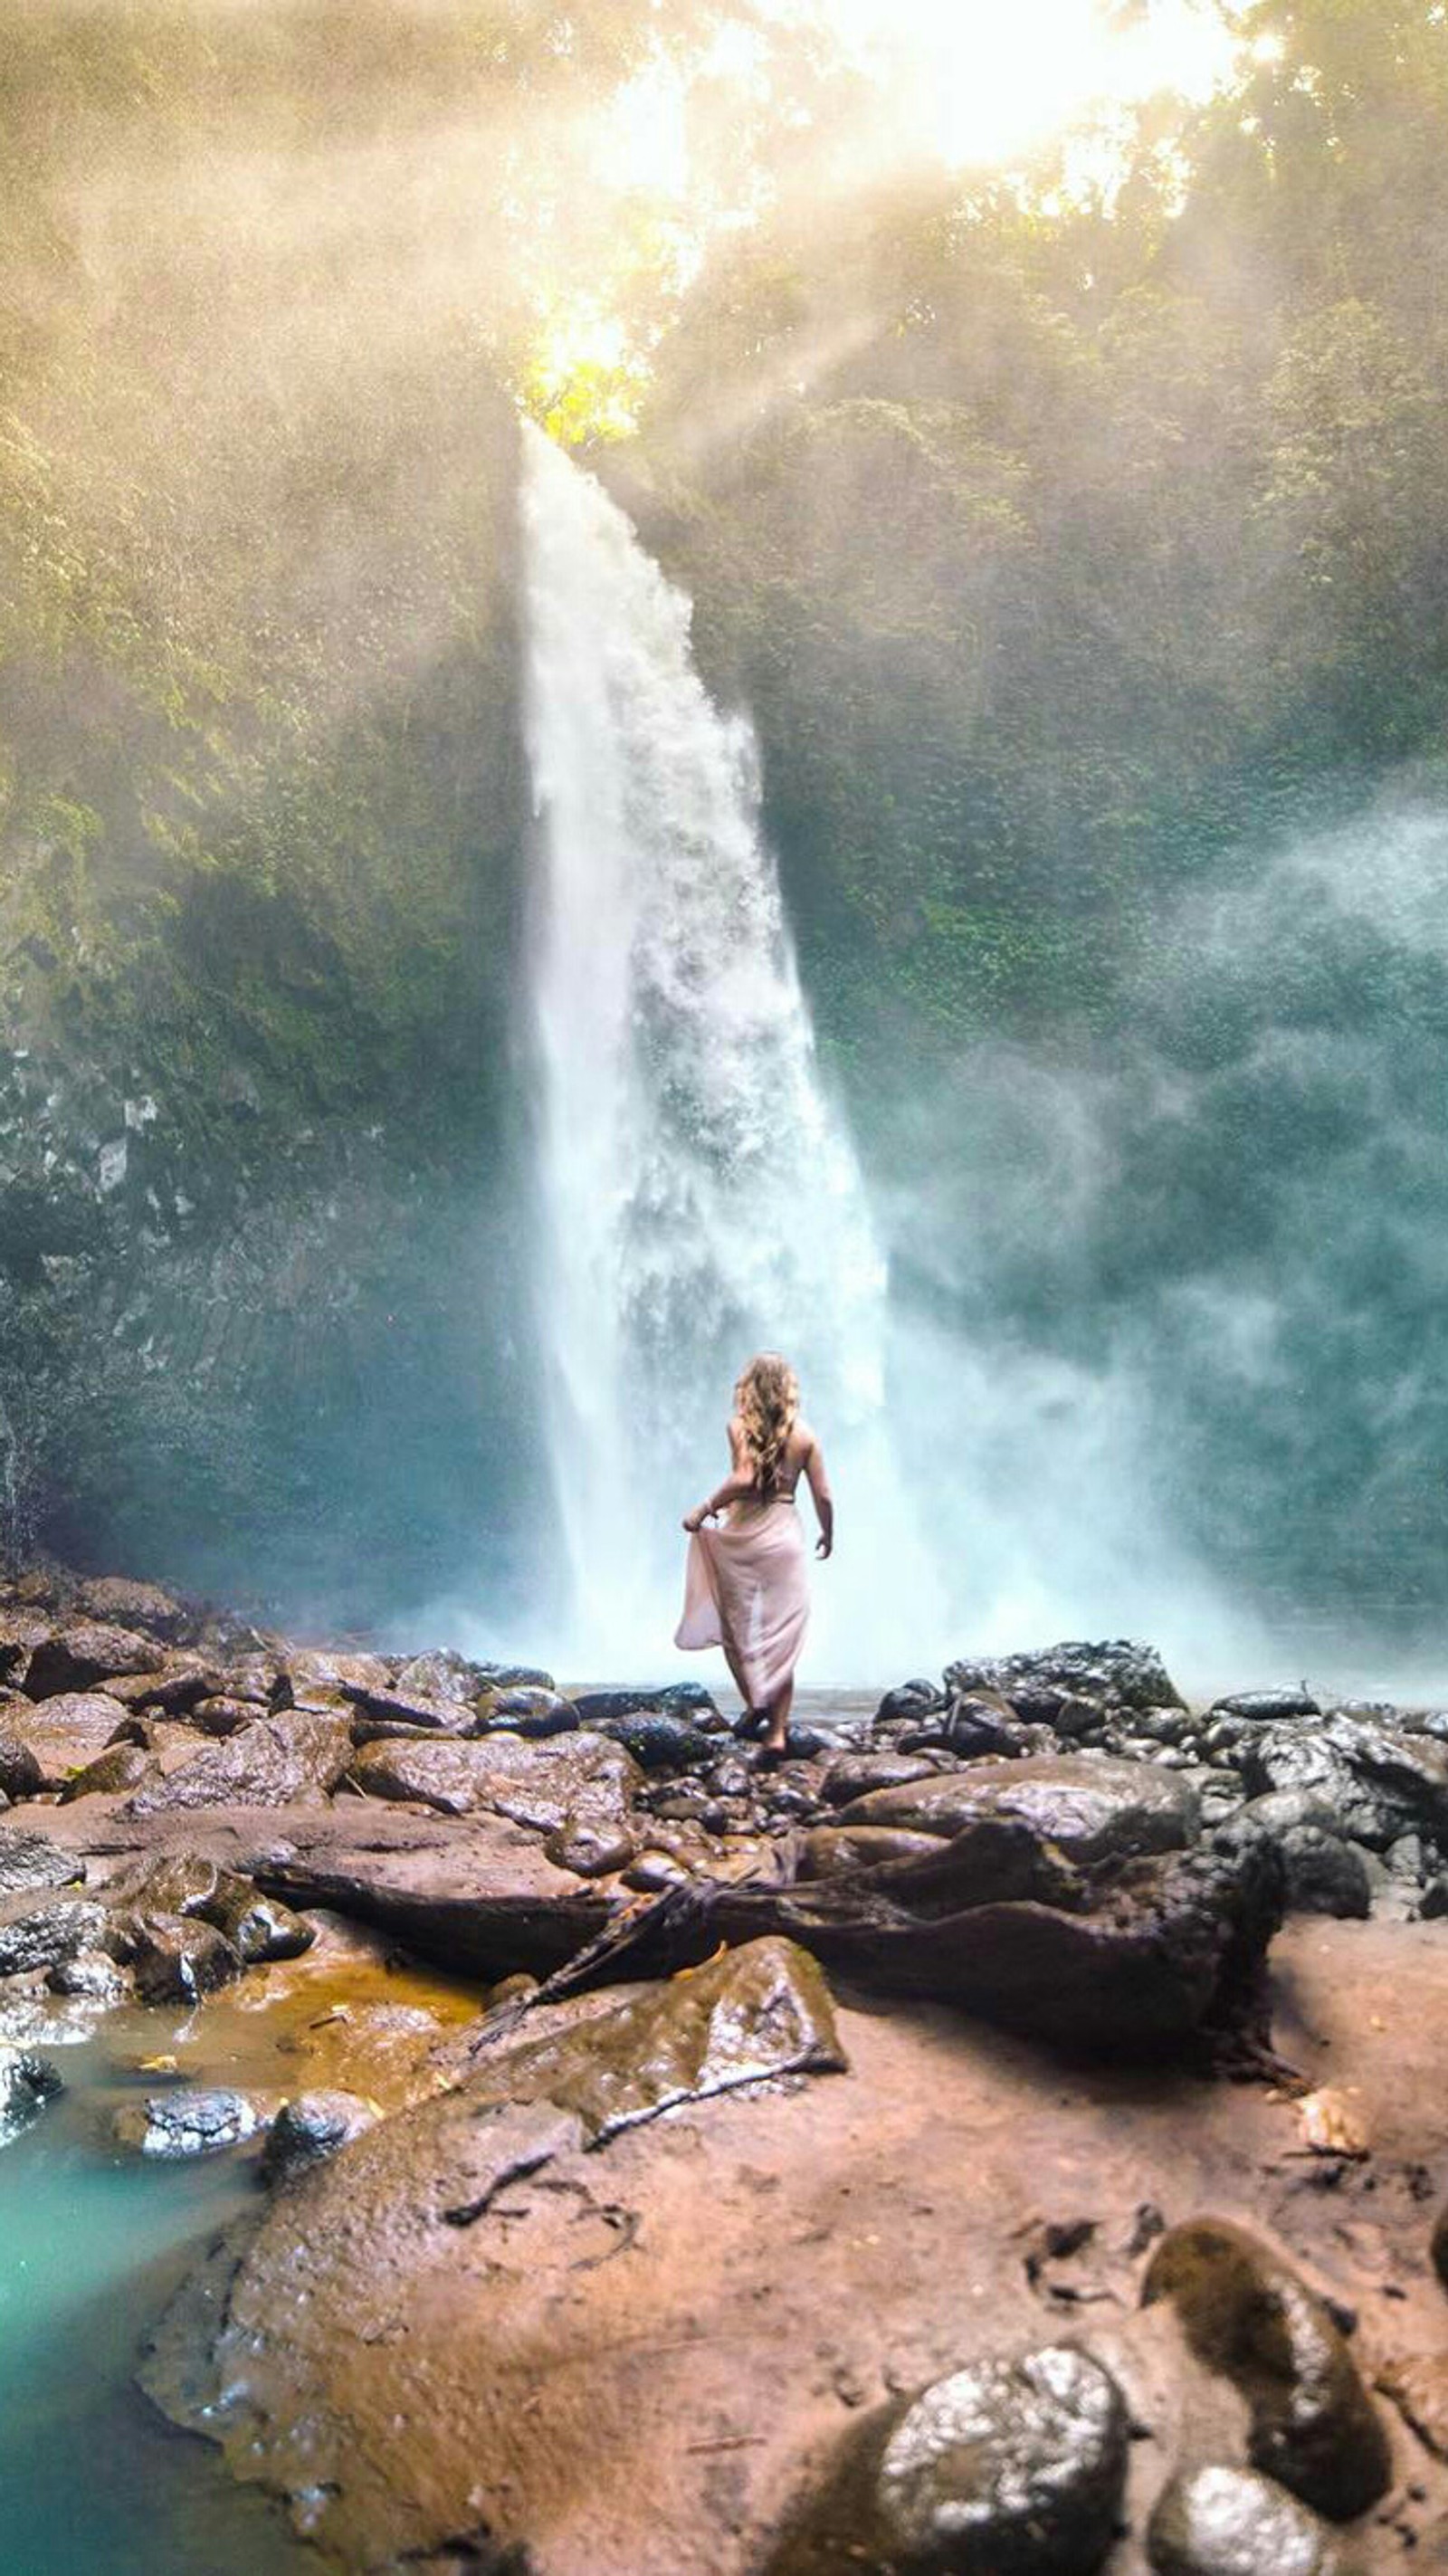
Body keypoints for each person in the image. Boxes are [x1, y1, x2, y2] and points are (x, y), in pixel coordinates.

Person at [674, 1353, 834, 1760]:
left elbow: (744, 1477)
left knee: (736, 1630)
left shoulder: (739, 1426)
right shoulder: (805, 1435)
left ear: (749, 1387)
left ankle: (755, 1703)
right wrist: (827, 1532)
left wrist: (704, 1507)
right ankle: (777, 1733)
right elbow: (824, 1495)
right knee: (777, 1636)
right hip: (784, 1533)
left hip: (744, 1534)